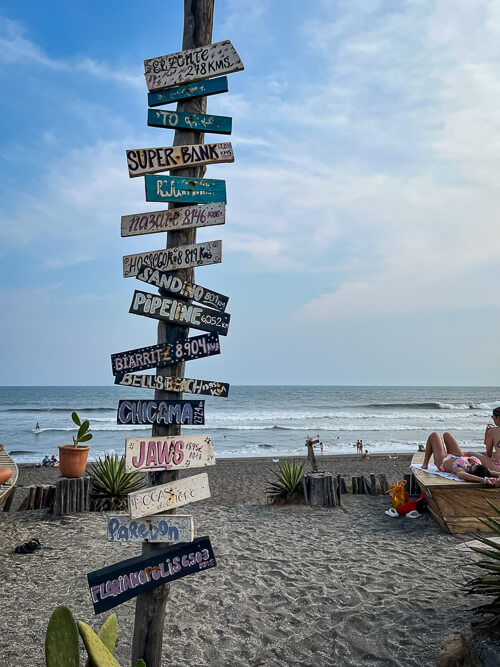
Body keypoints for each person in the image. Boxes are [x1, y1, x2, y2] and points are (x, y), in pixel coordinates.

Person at [422, 432, 500, 486]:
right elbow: (492, 472)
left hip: (443, 461)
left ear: (470, 472)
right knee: (447, 435)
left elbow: (462, 475)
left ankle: (425, 464)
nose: (469, 465)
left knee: (434, 435)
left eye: (469, 468)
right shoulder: (482, 469)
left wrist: (484, 480)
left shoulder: (461, 470)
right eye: (473, 464)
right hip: (458, 456)